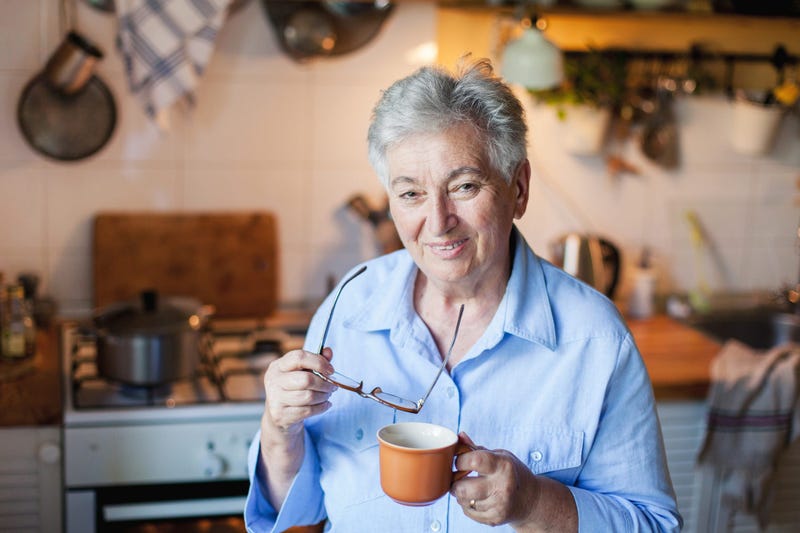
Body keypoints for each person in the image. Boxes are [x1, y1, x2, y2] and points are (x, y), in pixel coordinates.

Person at [245, 58, 682, 532]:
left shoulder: (595, 338)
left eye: (464, 186)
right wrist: (278, 428)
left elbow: (654, 525)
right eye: (411, 194)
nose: (437, 221)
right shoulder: (348, 308)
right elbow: (296, 507)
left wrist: (536, 504)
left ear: (518, 189)